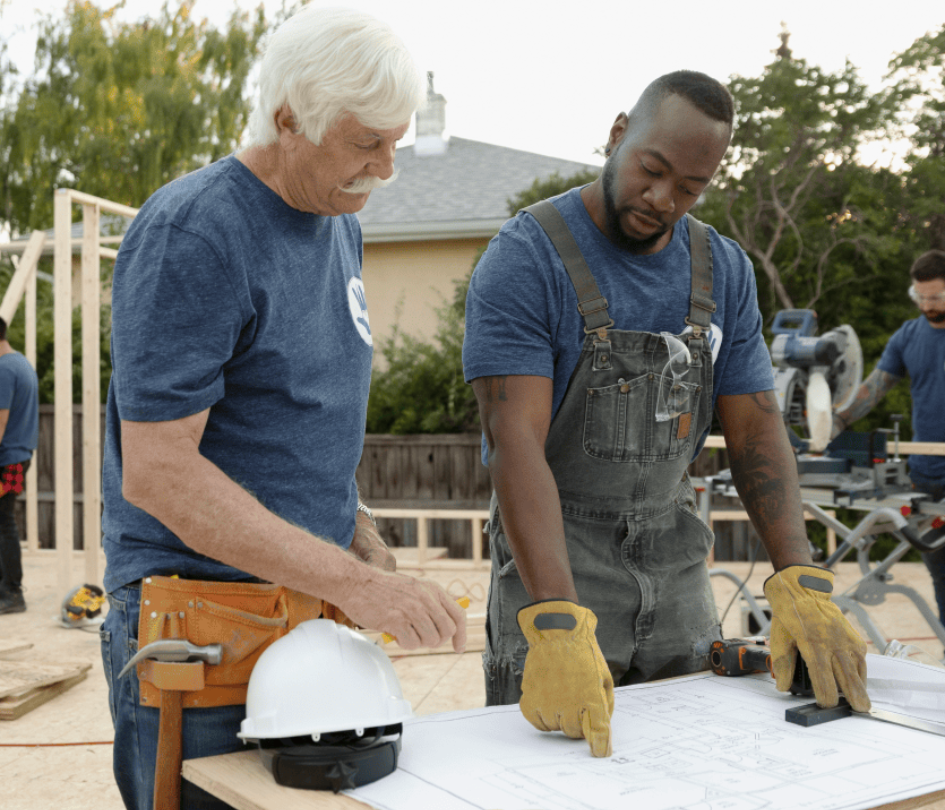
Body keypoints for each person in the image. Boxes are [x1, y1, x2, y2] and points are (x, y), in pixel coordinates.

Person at [99, 7, 466, 810]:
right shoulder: (196, 232)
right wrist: (354, 584)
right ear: (290, 117)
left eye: (395, 142)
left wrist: (353, 528)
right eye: (366, 142)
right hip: (202, 631)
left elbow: (289, 413)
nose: (386, 169)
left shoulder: (337, 219)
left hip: (301, 614)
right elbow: (159, 474)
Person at [462, 70, 870, 758]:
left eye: (689, 187)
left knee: (690, 763)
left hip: (675, 560)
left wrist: (797, 575)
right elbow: (514, 443)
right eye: (651, 171)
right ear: (619, 134)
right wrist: (556, 617)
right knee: (553, 772)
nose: (662, 199)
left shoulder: (722, 270)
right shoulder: (526, 258)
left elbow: (754, 428)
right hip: (557, 557)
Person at [832, 249, 945, 632]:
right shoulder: (909, 335)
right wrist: (837, 419)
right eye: (922, 297)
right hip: (926, 477)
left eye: (936, 297)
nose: (928, 305)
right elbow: (875, 388)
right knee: (942, 579)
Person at [0, 315, 39, 614]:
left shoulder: (3, 369)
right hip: (19, 455)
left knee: (4, 524)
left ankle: (12, 594)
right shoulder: (21, 363)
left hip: (7, 459)